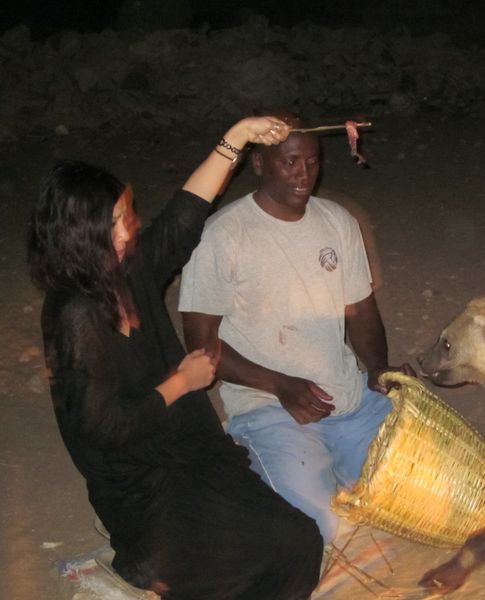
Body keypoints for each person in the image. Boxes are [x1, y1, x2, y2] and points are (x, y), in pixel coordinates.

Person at [27, 116, 323, 600]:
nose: (130, 227)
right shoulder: (75, 314)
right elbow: (102, 429)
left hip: (193, 453)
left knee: (298, 541)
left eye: (127, 213)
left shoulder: (126, 273)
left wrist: (238, 136)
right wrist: (180, 384)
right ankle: (143, 565)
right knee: (245, 566)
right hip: (142, 489)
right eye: (117, 220)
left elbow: (184, 217)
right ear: (79, 234)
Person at [178, 111, 414, 545]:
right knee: (318, 531)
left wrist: (378, 369)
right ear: (260, 164)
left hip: (347, 399)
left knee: (419, 493)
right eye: (289, 162)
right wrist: (279, 384)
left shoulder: (336, 222)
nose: (303, 174)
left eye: (311, 161)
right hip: (269, 407)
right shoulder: (224, 235)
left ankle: (318, 472)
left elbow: (360, 311)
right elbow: (200, 344)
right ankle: (254, 467)